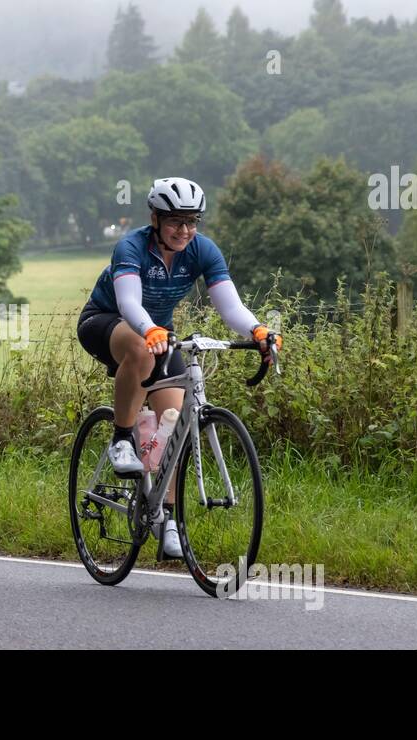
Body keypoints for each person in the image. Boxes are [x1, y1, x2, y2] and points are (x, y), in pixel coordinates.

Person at [77, 177, 282, 557]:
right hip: (107, 321)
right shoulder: (131, 247)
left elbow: (229, 306)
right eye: (175, 221)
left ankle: (166, 516)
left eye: (192, 222)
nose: (184, 230)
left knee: (173, 418)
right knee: (141, 350)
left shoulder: (202, 250)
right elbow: (128, 304)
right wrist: (150, 329)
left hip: (158, 332)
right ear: (155, 218)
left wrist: (257, 329)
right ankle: (122, 439)